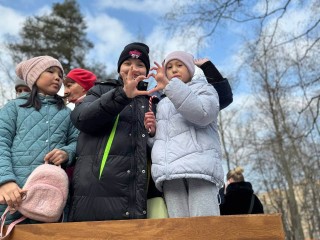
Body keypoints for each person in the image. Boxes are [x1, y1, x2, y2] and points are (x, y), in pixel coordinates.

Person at [0, 56, 79, 224]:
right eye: (50, 71)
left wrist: (67, 152)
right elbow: (1, 143)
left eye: (60, 74)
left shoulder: (67, 113)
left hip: (52, 201)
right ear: (34, 77)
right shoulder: (13, 108)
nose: (58, 77)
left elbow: (78, 142)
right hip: (13, 196)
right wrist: (5, 181)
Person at [144, 51, 224, 218]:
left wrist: (170, 87)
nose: (174, 70)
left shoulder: (204, 88)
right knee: (179, 229)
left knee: (205, 227)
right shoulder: (162, 102)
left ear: (190, 69)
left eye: (179, 65)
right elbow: (163, 142)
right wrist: (152, 133)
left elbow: (203, 114)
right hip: (169, 173)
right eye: (169, 67)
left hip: (199, 168)